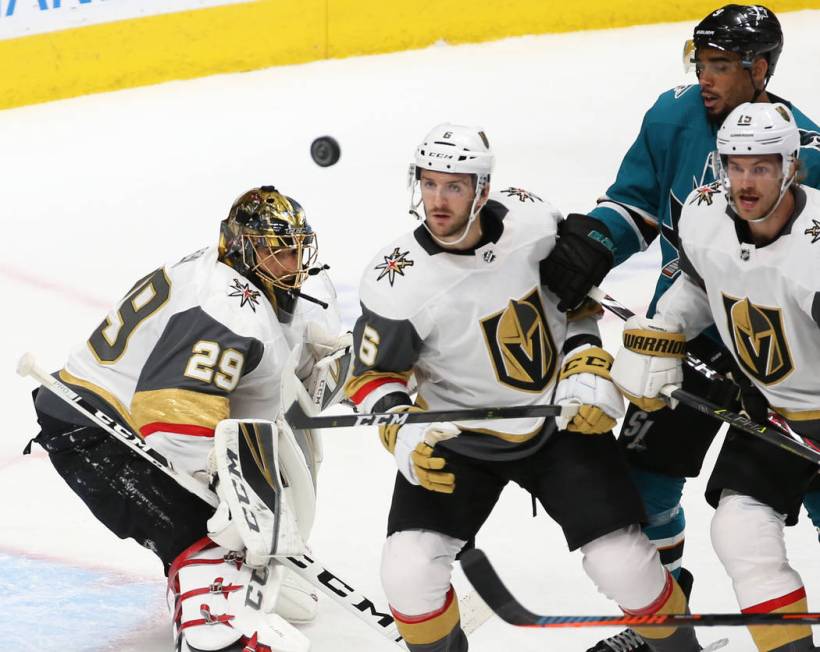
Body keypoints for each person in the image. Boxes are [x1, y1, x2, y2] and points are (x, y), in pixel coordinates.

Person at [345, 123, 703, 652]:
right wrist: (404, 434)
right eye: (429, 184)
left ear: (482, 190)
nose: (438, 201)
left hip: (556, 423)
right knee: (407, 573)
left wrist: (585, 363)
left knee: (625, 565)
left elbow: (576, 299)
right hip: (458, 439)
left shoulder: (534, 223)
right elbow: (373, 376)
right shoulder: (397, 280)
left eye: (454, 186)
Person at [538, 6, 820, 650]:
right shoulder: (672, 116)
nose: (705, 78)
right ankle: (664, 619)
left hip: (790, 356)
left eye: (721, 65)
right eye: (701, 63)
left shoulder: (805, 149)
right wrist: (597, 245)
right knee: (642, 477)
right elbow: (635, 206)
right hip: (687, 331)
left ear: (762, 69)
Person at [28, 186, 351, 652]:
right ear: (241, 247)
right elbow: (172, 414)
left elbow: (255, 383)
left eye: (296, 250)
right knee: (214, 532)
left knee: (249, 529)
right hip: (99, 433)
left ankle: (236, 567)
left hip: (126, 420)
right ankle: (211, 630)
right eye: (273, 251)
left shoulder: (245, 283)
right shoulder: (226, 305)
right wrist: (233, 497)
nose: (289, 263)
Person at [611, 101, 819, 652]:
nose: (745, 182)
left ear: (791, 167)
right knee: (740, 530)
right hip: (773, 415)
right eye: (735, 165)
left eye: (762, 167)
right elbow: (702, 280)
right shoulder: (705, 213)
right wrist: (666, 329)